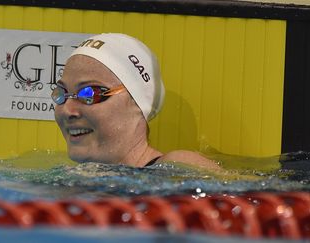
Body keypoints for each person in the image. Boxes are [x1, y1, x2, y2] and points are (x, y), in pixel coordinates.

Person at [51, 33, 220, 170]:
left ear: (136, 102)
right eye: (62, 94)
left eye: (90, 94)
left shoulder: (177, 165)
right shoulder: (73, 179)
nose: (67, 110)